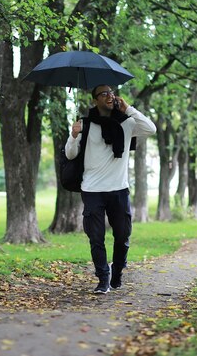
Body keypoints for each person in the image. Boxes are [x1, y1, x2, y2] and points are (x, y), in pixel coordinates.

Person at [65, 85, 156, 294]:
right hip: (92, 189)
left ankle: (117, 272)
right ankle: (103, 278)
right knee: (96, 237)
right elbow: (71, 155)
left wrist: (129, 109)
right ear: (95, 99)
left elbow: (151, 129)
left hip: (119, 188)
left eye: (112, 93)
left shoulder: (127, 123)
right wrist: (73, 135)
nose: (110, 96)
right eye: (104, 93)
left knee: (123, 236)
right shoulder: (85, 124)